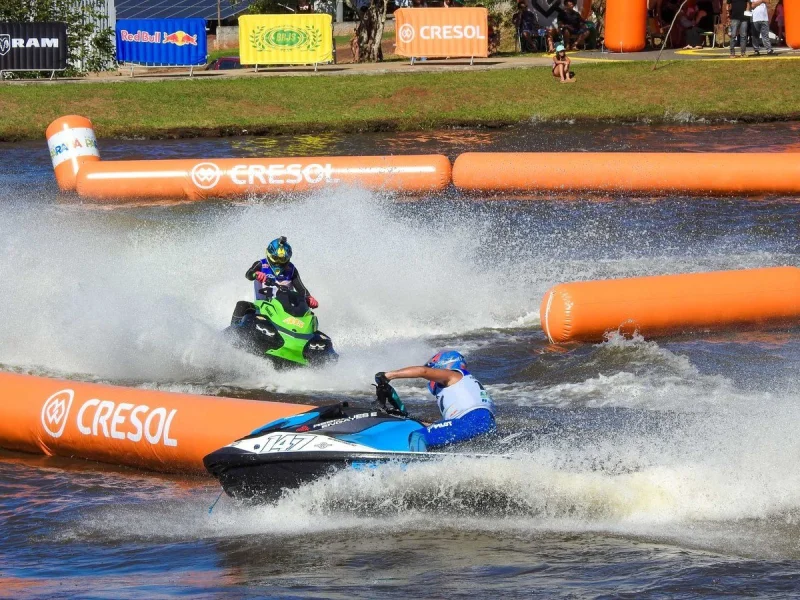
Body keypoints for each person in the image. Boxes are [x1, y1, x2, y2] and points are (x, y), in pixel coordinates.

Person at [375, 350, 496, 451]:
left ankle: (416, 471)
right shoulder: (465, 384)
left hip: (472, 422)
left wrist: (388, 375)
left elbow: (423, 371)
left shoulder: (453, 375)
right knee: (430, 438)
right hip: (483, 424)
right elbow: (450, 425)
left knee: (418, 436)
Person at [245, 236, 319, 308]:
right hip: (262, 308)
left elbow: (301, 289)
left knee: (310, 315)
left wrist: (310, 299)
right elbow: (248, 274)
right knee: (241, 306)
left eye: (282, 259)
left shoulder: (292, 269)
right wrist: (256, 274)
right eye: (275, 258)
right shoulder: (260, 264)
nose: (278, 262)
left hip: (286, 311)